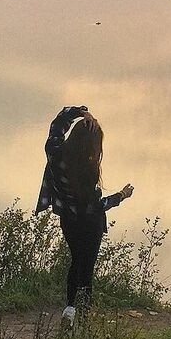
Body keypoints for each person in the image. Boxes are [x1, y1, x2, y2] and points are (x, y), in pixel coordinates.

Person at [34, 105, 134, 326]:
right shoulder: (87, 170)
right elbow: (96, 207)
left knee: (76, 261)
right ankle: (85, 318)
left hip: (68, 221)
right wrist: (121, 196)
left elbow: (57, 124)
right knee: (86, 268)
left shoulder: (55, 151)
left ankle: (70, 309)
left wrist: (80, 112)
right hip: (90, 225)